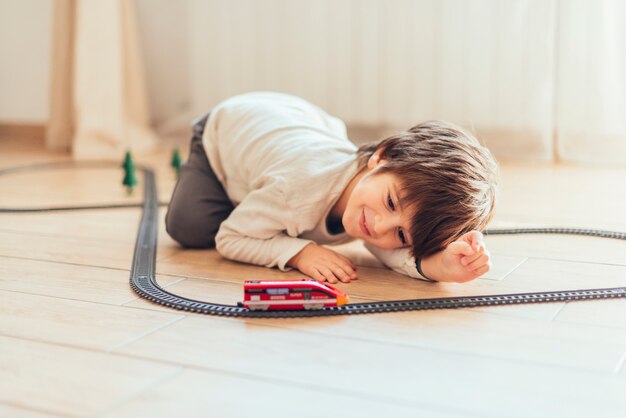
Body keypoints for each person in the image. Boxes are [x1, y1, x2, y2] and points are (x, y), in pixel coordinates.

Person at [165, 91, 498, 284]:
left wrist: (443, 266)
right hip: (226, 130)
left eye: (401, 235)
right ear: (381, 157)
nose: (379, 226)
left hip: (296, 128)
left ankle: (259, 206)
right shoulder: (295, 191)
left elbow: (395, 256)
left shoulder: (378, 203)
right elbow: (230, 238)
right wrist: (299, 252)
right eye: (391, 203)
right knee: (191, 228)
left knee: (268, 216)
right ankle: (244, 194)